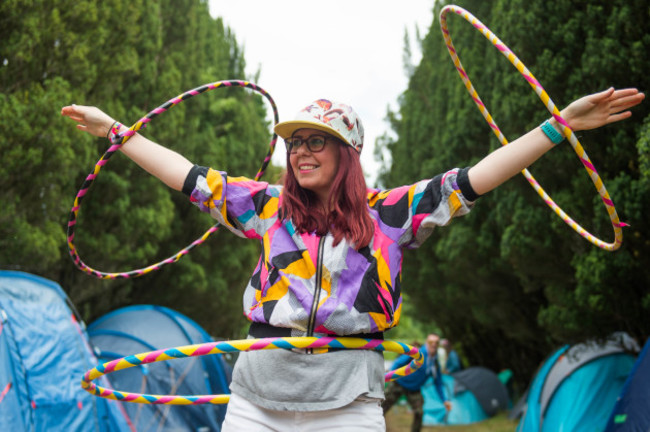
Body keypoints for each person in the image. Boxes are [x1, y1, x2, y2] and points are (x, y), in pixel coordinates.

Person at [61, 87, 644, 431]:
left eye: (317, 141)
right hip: (257, 396)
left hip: (348, 401)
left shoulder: (392, 215)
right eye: (295, 143)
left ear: (348, 153)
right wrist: (117, 131)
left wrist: (559, 124)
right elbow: (186, 175)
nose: (301, 152)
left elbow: (479, 176)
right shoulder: (266, 208)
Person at [383, 333, 451, 432]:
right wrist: (390, 376)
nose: (433, 345)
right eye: (431, 342)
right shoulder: (417, 353)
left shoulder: (435, 363)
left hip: (414, 390)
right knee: (382, 408)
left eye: (436, 342)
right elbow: (398, 363)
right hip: (399, 384)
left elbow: (438, 383)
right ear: (427, 343)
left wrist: (444, 400)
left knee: (419, 413)